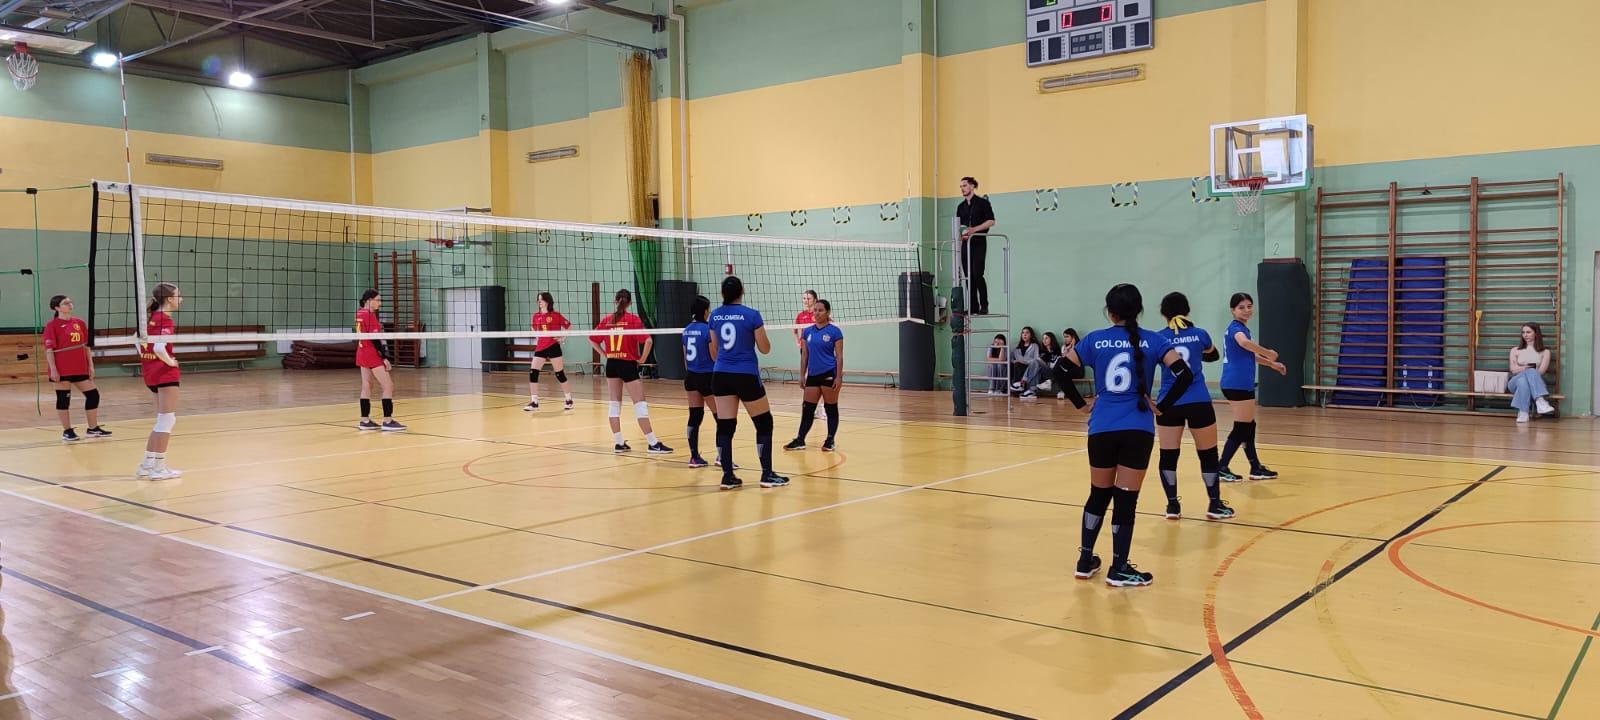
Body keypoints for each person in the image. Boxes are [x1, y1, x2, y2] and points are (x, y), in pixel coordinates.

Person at [1057, 284, 1196, 587]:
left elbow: (1060, 370)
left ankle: (1085, 560)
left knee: (1098, 494)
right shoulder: (1155, 340)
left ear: (1110, 312)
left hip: (1101, 427)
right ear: (1139, 310)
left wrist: (1080, 404)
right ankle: (1119, 567)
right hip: (1138, 429)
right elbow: (1185, 374)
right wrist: (1162, 407)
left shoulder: (1094, 339)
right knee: (1126, 499)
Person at [1155, 292, 1234, 521]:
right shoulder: (1200, 334)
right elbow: (1212, 355)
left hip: (1168, 403)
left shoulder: (1159, 338)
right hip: (1198, 401)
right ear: (1187, 310)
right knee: (1208, 455)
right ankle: (1214, 504)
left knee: (1168, 456)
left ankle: (1172, 505)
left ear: (1163, 313)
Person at [710, 276, 788, 489]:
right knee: (764, 423)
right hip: (745, 374)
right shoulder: (752, 315)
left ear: (722, 293)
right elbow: (765, 348)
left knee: (725, 426)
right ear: (742, 291)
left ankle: (728, 477)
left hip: (721, 374)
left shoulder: (715, 315)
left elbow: (714, 350)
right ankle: (766, 474)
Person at [591, 289, 671, 454]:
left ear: (615, 301)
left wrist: (604, 354)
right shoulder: (632, 320)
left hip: (612, 363)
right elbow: (648, 341)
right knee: (639, 404)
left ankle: (619, 443)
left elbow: (592, 339)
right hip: (627, 364)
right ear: (630, 303)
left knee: (614, 403)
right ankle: (653, 443)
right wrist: (642, 359)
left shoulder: (607, 320)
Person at [1218, 292, 1286, 482]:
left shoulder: (1242, 328)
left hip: (1240, 382)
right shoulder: (1235, 328)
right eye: (1241, 307)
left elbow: (1249, 354)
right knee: (1242, 427)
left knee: (1249, 425)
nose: (1246, 310)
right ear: (1233, 310)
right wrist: (1268, 352)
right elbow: (1245, 343)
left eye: (1249, 306)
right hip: (1237, 383)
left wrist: (1271, 364)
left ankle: (1255, 467)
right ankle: (1221, 466)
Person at [43, 295, 109, 442]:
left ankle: (92, 428)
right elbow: (49, 350)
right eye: (65, 303)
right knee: (63, 399)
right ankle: (67, 431)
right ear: (57, 308)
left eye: (70, 302)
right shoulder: (52, 325)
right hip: (62, 369)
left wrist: (91, 366)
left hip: (80, 367)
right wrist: (53, 369)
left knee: (93, 395)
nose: (70, 304)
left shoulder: (80, 323)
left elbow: (86, 347)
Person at [137, 282, 184, 479]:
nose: (181, 299)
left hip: (150, 373)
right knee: (167, 420)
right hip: (165, 374)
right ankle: (159, 468)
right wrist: (171, 362)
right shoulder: (165, 320)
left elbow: (136, 340)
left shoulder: (150, 318)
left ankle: (146, 465)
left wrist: (145, 358)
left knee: (161, 420)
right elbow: (158, 348)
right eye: (178, 295)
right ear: (170, 299)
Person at [785, 298, 844, 452]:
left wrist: (838, 377)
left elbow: (839, 356)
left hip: (829, 373)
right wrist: (801, 375)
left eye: (820, 310)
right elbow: (804, 355)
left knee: (831, 408)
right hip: (812, 375)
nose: (817, 313)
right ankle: (800, 439)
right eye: (815, 310)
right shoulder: (808, 331)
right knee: (807, 409)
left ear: (827, 312)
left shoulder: (835, 331)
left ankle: (830, 440)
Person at [355, 290, 406, 431]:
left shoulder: (359, 313)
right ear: (369, 300)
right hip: (371, 354)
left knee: (367, 385)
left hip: (361, 352)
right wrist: (384, 357)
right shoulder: (369, 315)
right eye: (377, 300)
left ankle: (364, 420)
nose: (380, 303)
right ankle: (387, 421)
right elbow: (375, 339)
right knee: (388, 385)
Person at [683, 295, 718, 467]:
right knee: (722, 417)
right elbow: (714, 356)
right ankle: (722, 457)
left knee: (695, 416)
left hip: (691, 376)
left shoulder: (686, 330)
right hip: (707, 377)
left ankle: (694, 457)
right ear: (705, 311)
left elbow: (685, 359)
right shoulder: (708, 330)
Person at [525, 291, 574, 412]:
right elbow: (533, 328)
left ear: (547, 301)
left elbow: (569, 326)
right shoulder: (536, 316)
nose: (539, 302)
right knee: (533, 372)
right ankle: (534, 402)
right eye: (538, 300)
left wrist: (563, 337)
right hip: (541, 347)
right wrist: (537, 337)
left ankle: (569, 400)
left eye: (541, 299)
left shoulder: (556, 315)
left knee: (560, 374)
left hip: (553, 346)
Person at [956, 176, 995, 315]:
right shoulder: (960, 207)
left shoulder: (983, 203)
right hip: (966, 243)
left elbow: (991, 221)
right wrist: (962, 234)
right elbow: (959, 225)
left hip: (978, 242)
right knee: (968, 276)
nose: (962, 189)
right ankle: (973, 306)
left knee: (978, 274)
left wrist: (974, 230)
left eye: (965, 185)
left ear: (972, 186)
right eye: (961, 186)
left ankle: (984, 305)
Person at [1508, 322, 1557, 423]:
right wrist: (1526, 368)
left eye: (1528, 332)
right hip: (1514, 382)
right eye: (1523, 332)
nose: (1525, 335)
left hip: (1533, 382)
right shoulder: (1515, 350)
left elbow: (1541, 372)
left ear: (1536, 333)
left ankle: (1523, 413)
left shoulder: (1545, 352)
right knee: (1529, 371)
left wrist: (1524, 368)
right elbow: (1513, 369)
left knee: (1523, 382)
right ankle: (1540, 400)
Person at [792, 289, 826, 423]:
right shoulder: (801, 315)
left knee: (821, 378)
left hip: (818, 350)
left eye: (808, 298)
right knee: (808, 379)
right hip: (806, 350)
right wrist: (798, 342)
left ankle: (822, 409)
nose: (806, 301)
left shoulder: (819, 313)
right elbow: (794, 330)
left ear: (815, 300)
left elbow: (830, 326)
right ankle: (812, 408)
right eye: (804, 298)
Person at [1010, 326, 1041, 398]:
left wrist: (1025, 362)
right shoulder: (1017, 348)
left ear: (1031, 335)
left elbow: (1036, 359)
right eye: (1023, 333)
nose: (1024, 335)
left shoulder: (1034, 346)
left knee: (1034, 363)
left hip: (1029, 368)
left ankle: (1021, 384)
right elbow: (1011, 358)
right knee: (1017, 364)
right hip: (1018, 367)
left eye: (1027, 333)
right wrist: (1015, 361)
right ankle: (1018, 386)